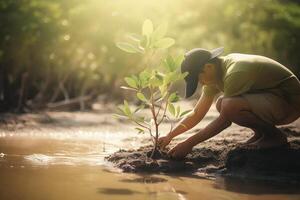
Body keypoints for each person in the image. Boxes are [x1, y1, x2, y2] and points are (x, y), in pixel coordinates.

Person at [158, 47, 300, 158]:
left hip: (289, 103)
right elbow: (197, 112)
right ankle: (261, 134)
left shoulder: (235, 72)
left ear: (208, 67)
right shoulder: (216, 73)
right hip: (272, 99)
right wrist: (170, 136)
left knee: (229, 105)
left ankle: (274, 136)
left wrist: (188, 144)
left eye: (198, 79)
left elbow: (224, 120)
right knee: (222, 103)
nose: (200, 83)